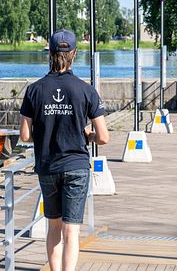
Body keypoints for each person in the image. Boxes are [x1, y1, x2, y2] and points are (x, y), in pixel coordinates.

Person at [19, 29, 109, 271]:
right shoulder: (85, 89)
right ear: (74, 54)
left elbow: (25, 135)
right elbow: (104, 137)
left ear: (49, 52)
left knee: (54, 227)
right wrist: (87, 135)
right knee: (72, 230)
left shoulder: (34, 90)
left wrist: (46, 133)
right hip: (76, 166)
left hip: (48, 166)